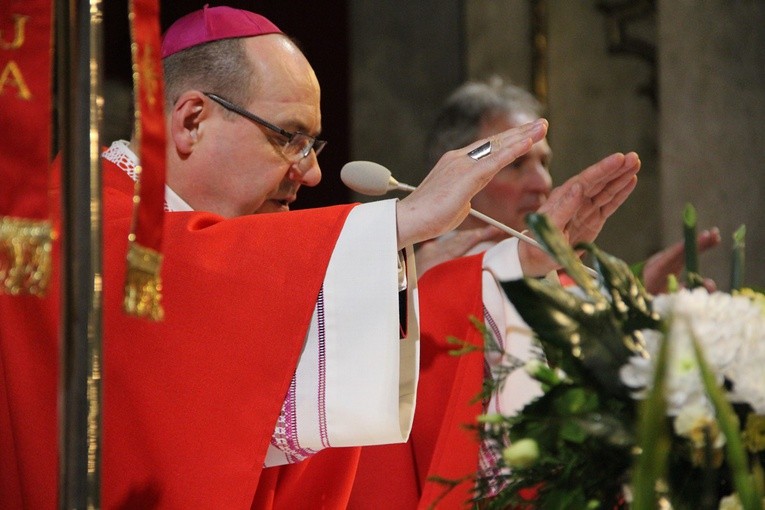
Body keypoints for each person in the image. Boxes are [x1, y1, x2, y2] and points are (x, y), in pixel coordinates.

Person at [0, 8, 640, 510]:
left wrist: (519, 272)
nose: (311, 174)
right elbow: (182, 287)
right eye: (290, 138)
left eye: (314, 143)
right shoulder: (69, 220)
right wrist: (400, 221)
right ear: (191, 121)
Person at [348, 78, 720, 509]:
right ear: (455, 175)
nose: (541, 182)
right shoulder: (410, 280)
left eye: (544, 163)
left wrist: (634, 300)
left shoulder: (559, 268)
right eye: (516, 166)